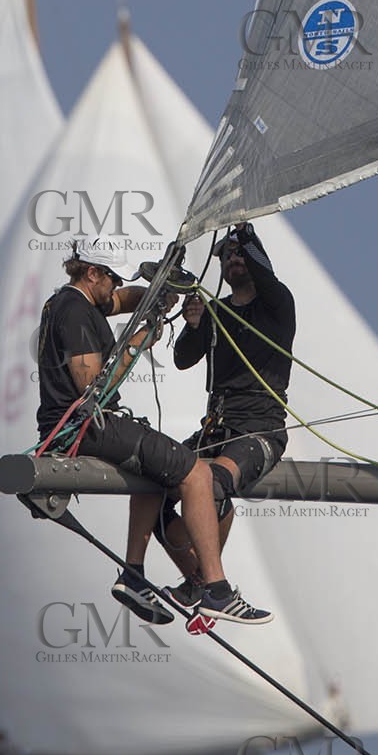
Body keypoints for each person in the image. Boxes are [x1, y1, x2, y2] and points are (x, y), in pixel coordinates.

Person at [35, 237, 271, 626]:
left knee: (155, 474)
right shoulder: (75, 312)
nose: (115, 286)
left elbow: (122, 301)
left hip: (78, 425)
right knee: (195, 472)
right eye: (110, 278)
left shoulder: (72, 301)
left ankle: (133, 575)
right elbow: (92, 385)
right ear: (92, 273)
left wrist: (159, 293)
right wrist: (137, 343)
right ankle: (216, 589)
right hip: (86, 427)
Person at [161, 222, 295, 609]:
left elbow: (263, 271)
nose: (232, 259)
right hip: (216, 428)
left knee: (212, 483)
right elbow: (183, 359)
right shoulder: (216, 311)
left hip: (259, 429)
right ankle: (196, 577)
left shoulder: (277, 303)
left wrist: (244, 228)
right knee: (153, 485)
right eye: (226, 255)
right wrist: (195, 323)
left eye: (239, 254)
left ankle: (210, 584)